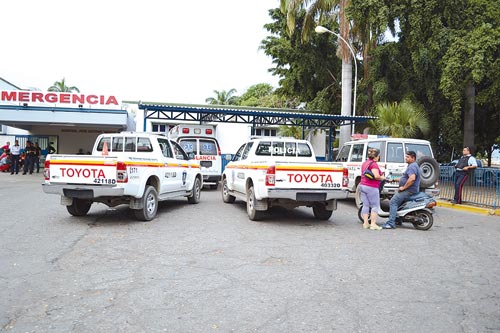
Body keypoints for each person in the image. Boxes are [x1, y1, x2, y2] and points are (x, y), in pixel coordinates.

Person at [382, 151, 421, 229]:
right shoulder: (413, 165)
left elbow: (412, 179)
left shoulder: (412, 166)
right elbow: (405, 178)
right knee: (398, 203)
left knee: (393, 202)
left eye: (408, 157)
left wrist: (403, 187)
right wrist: (393, 180)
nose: (405, 158)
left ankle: (391, 223)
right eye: (406, 156)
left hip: (409, 190)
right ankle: (397, 220)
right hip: (411, 190)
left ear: (413, 158)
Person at [359, 148, 385, 230]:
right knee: (375, 206)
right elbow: (376, 176)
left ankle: (365, 223)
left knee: (366, 205)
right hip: (371, 187)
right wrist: (382, 178)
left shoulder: (365, 163)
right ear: (377, 156)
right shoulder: (374, 164)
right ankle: (373, 224)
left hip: (362, 185)